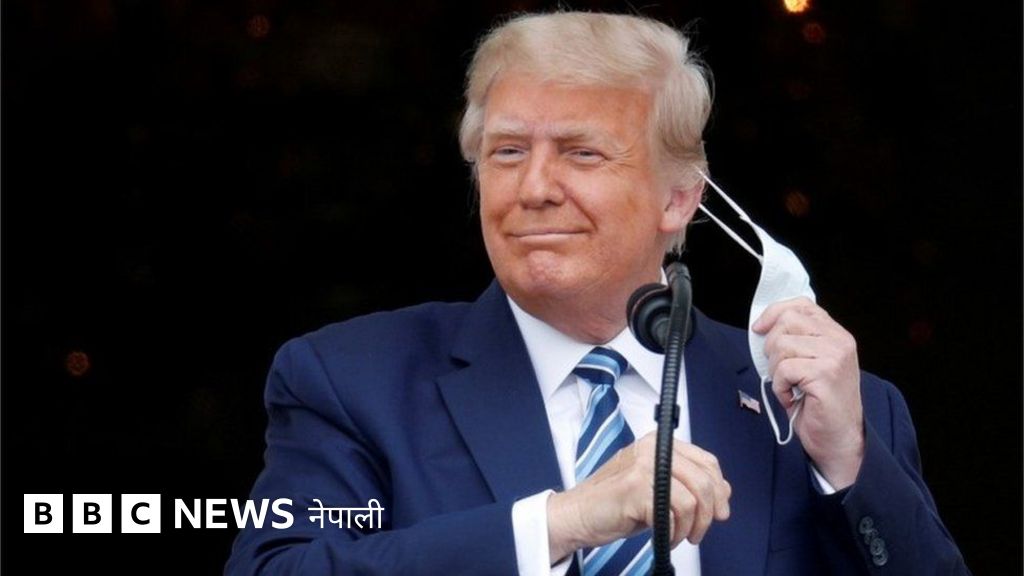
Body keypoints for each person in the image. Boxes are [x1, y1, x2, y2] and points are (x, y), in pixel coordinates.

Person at [225, 11, 970, 576]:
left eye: (581, 153)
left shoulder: (817, 403)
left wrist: (845, 460)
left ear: (680, 198)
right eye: (507, 152)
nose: (534, 188)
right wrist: (560, 523)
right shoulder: (352, 380)